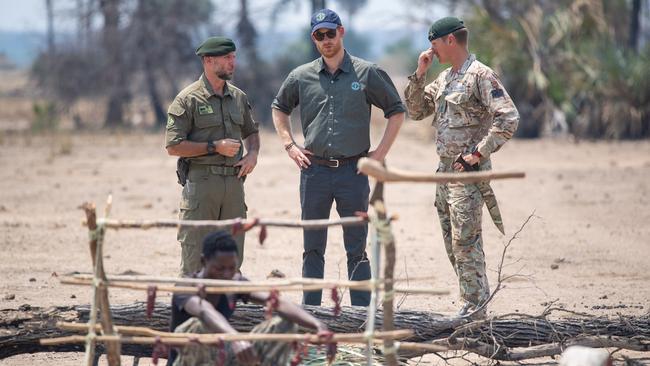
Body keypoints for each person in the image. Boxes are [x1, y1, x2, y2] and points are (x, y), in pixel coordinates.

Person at [271, 9, 406, 306]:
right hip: (314, 173)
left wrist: (379, 154)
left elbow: (396, 111)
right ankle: (311, 315)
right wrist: (290, 145)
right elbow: (279, 108)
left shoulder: (367, 72)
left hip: (353, 174)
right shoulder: (301, 76)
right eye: (319, 35)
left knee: (357, 247)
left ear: (341, 32)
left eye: (330, 33)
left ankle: (360, 317)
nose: (326, 40)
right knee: (312, 246)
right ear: (313, 39)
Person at [404, 17, 519, 317]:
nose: (432, 51)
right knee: (452, 242)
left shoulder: (480, 75)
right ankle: (473, 300)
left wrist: (477, 155)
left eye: (435, 45)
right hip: (444, 173)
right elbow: (416, 111)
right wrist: (420, 72)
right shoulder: (444, 78)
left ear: (450, 41)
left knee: (465, 240)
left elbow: (508, 117)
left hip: (467, 172)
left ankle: (474, 307)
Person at [166, 37, 260, 275]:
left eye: (234, 57)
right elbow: (173, 146)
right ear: (208, 60)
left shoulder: (238, 97)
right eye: (227, 58)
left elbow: (251, 131)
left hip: (234, 187)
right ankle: (190, 309)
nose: (233, 63)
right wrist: (214, 146)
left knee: (232, 257)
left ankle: (229, 309)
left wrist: (253, 154)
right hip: (201, 186)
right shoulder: (188, 99)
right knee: (195, 257)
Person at [168, 231, 329, 366]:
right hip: (188, 360)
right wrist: (236, 339)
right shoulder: (186, 287)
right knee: (199, 326)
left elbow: (276, 302)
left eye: (231, 268)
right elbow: (205, 312)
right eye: (219, 268)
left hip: (222, 357)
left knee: (284, 324)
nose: (226, 274)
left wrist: (318, 324)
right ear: (204, 261)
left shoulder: (235, 282)